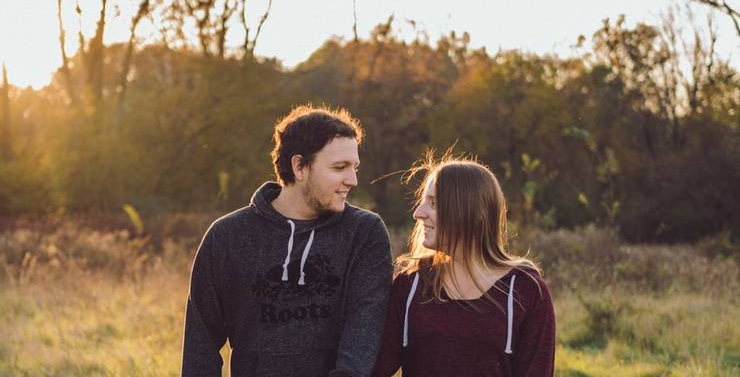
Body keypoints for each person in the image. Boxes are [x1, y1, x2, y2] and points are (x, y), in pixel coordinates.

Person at [181, 105, 393, 377]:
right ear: (299, 166)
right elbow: (201, 344)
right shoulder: (227, 237)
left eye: (355, 167)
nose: (352, 179)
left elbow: (364, 330)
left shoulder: (364, 232)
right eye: (340, 167)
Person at [372, 156, 556, 377]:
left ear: (472, 211)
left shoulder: (525, 290)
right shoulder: (411, 285)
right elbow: (372, 367)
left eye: (433, 203)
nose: (418, 213)